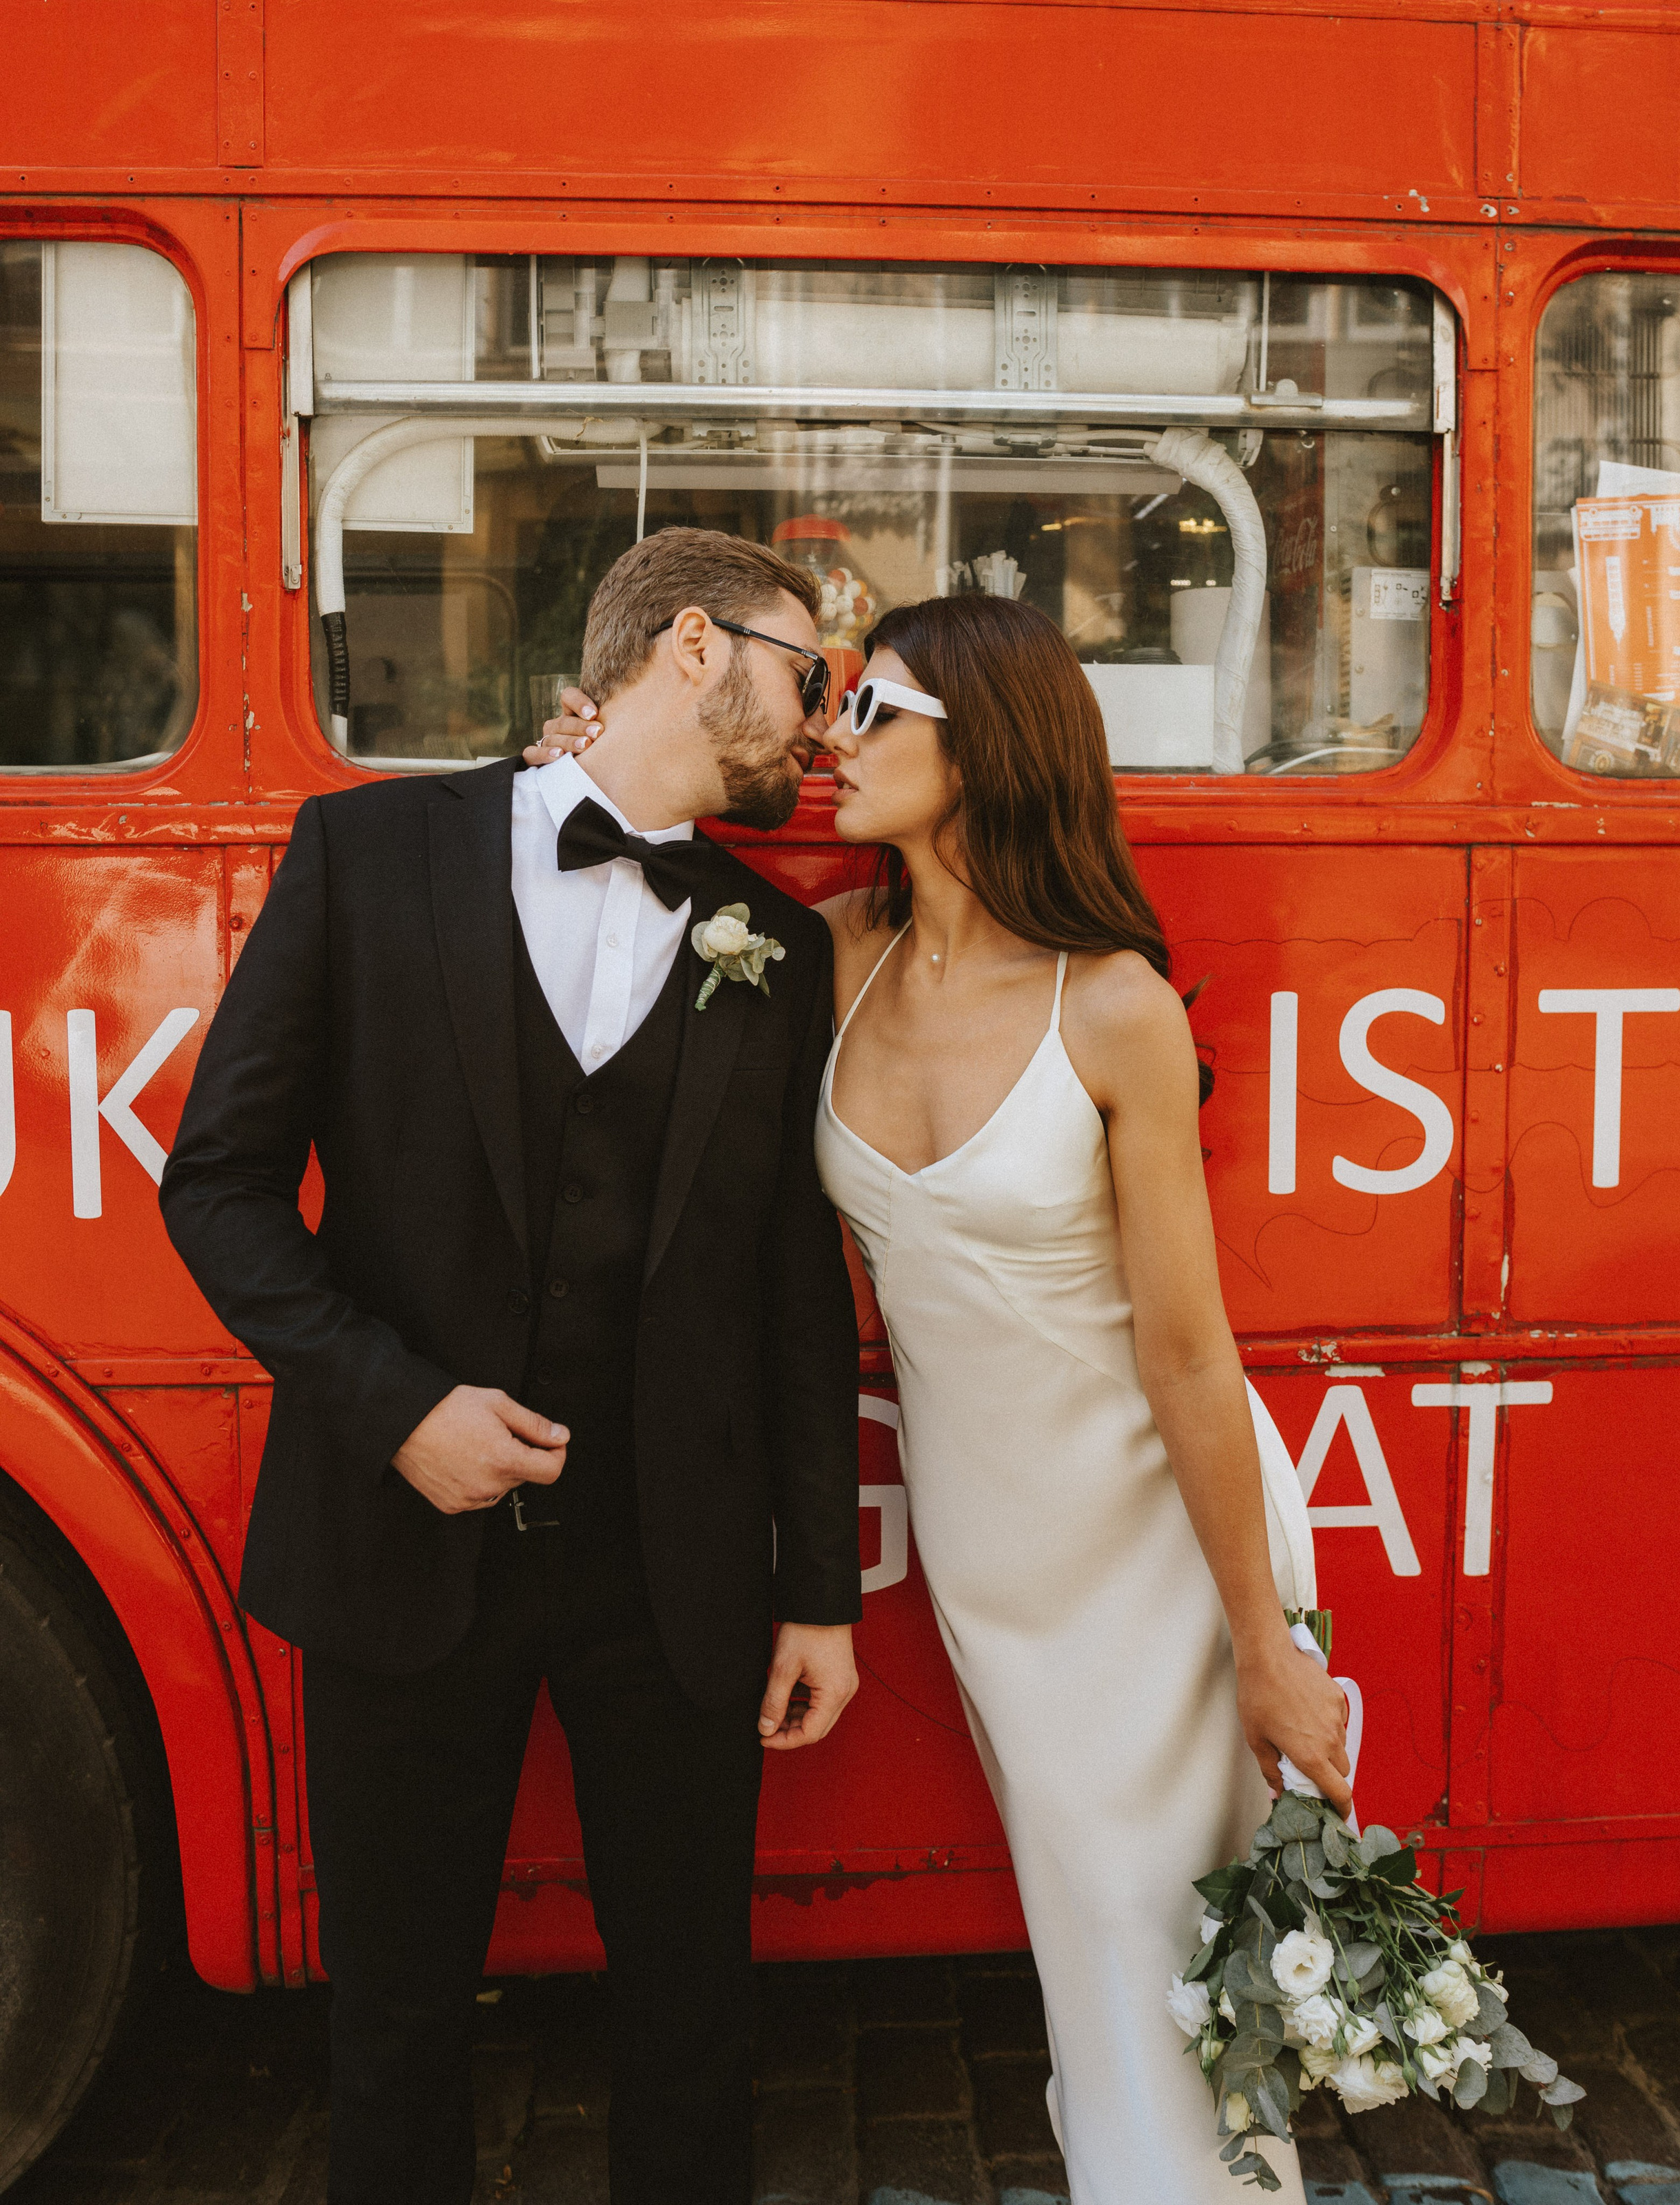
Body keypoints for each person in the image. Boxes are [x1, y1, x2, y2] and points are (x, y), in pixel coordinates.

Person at [539, 590, 1352, 2204]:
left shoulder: (1112, 1003)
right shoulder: (827, 954)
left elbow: (1188, 1354)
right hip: (994, 1555)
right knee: (1090, 1946)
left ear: (978, 745)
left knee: (1158, 1953)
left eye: (874, 713)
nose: (837, 743)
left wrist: (1265, 1647)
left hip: (1157, 1544)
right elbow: (647, 873)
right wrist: (571, 761)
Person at [159, 528, 863, 2205]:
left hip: (674, 1566)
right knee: (393, 2017)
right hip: (401, 1546)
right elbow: (222, 1184)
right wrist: (398, 1406)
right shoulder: (364, 854)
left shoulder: (780, 946)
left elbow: (792, 1294)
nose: (824, 726)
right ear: (693, 646)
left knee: (692, 2012)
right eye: (809, 674)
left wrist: (817, 1587)